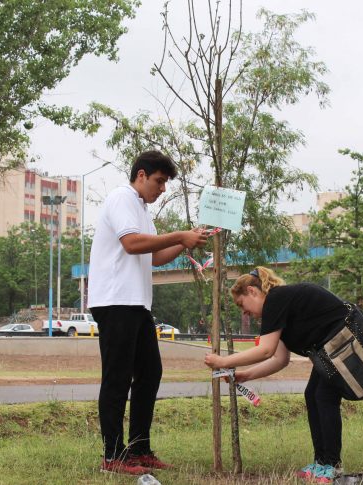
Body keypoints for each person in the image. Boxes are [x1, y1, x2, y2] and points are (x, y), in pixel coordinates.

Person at [88, 150, 208, 475]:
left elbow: (153, 256)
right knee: (117, 377)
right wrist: (179, 235)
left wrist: (187, 241)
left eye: (165, 183)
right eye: (159, 181)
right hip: (116, 302)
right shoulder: (121, 198)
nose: (162, 189)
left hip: (137, 304)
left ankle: (139, 449)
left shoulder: (141, 208)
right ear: (141, 175)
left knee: (150, 373)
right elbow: (132, 243)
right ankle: (112, 456)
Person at [204, 266, 351, 484]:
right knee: (313, 394)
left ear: (252, 291)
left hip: (344, 339)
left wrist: (223, 361)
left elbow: (265, 350)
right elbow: (280, 359)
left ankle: (332, 467)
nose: (244, 313)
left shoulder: (275, 300)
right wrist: (245, 375)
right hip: (329, 348)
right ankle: (322, 463)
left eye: (241, 304)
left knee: (323, 396)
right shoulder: (279, 306)